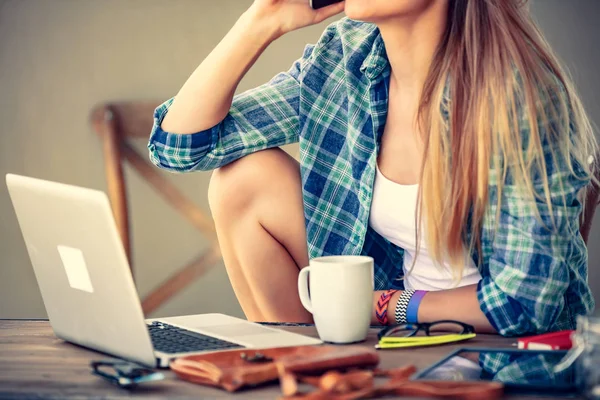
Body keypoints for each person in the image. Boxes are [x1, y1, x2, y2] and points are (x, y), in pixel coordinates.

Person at [147, 0, 598, 336]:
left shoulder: (516, 96)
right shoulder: (347, 58)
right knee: (240, 181)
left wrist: (382, 306)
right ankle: (298, 362)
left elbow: (522, 305)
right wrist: (262, 22)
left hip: (499, 349)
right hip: (392, 336)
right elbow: (181, 147)